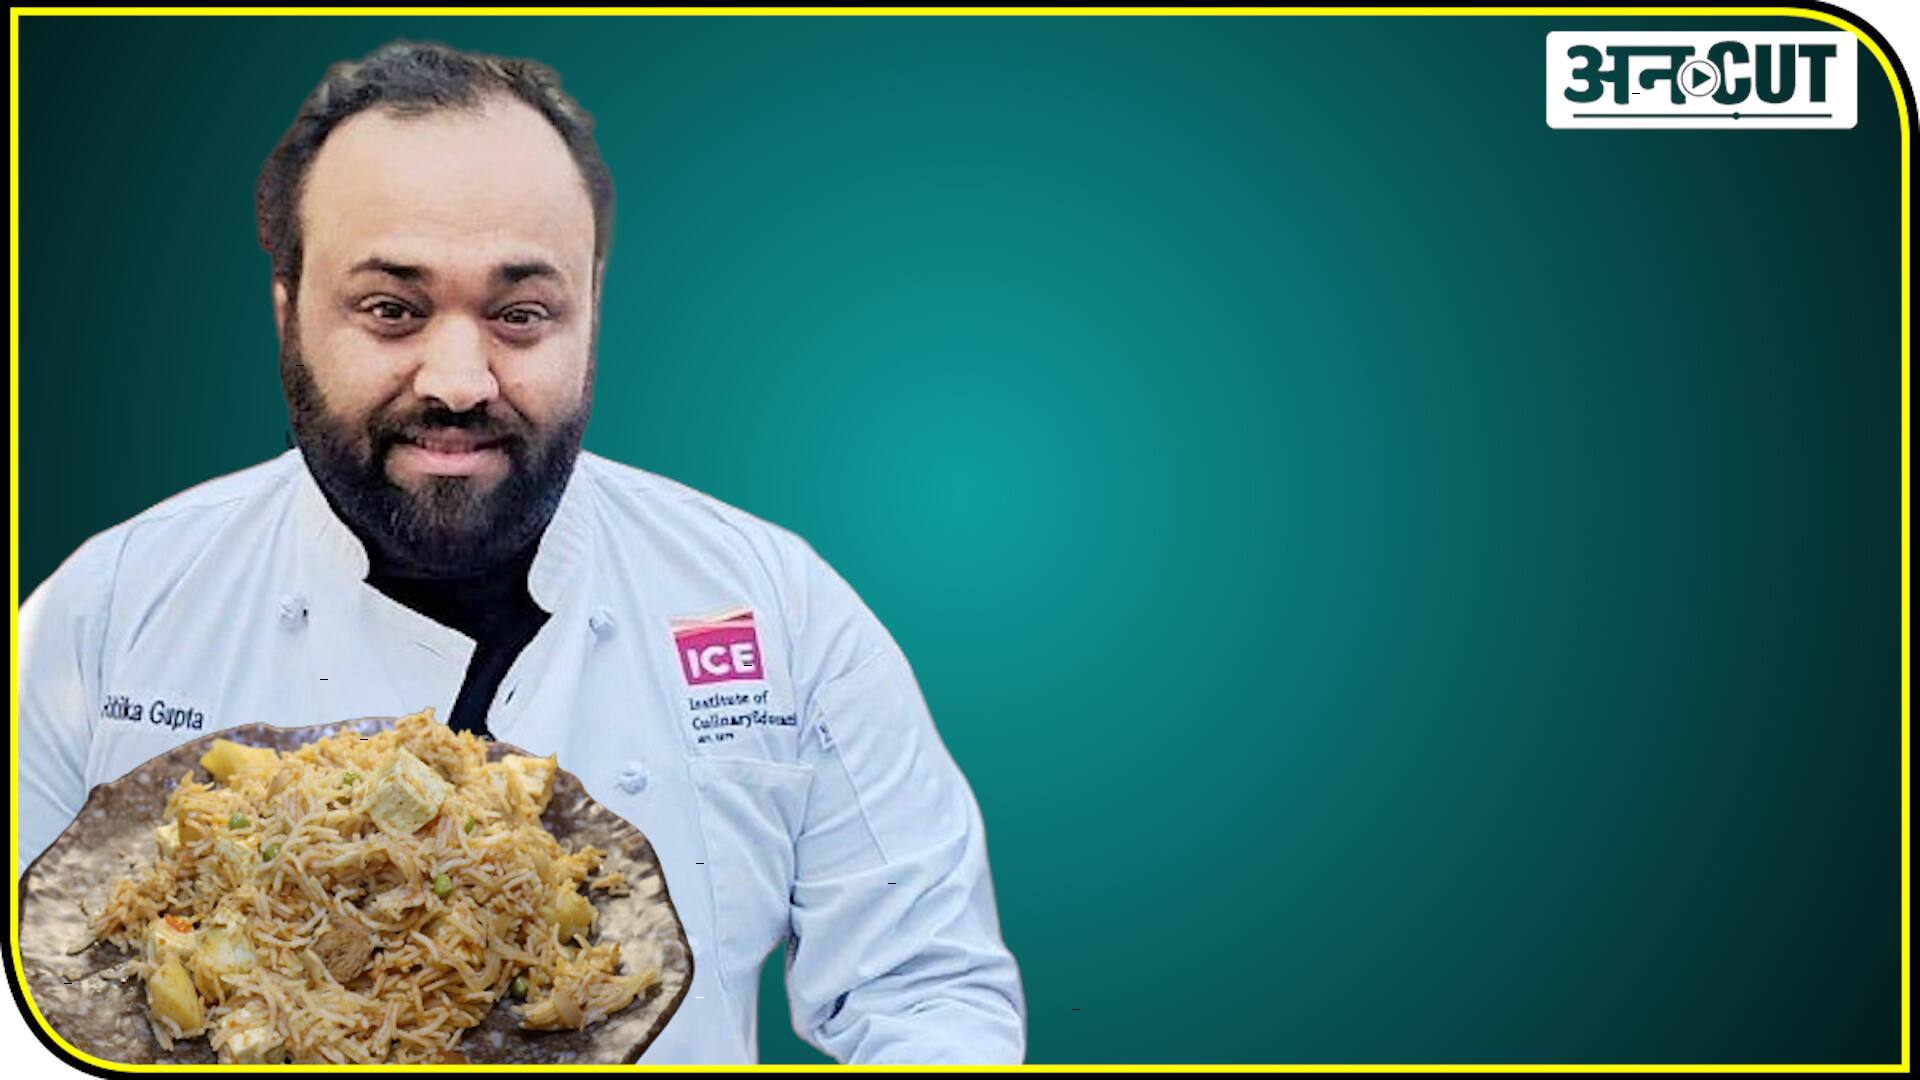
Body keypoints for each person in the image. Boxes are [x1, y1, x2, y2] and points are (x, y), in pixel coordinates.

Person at [14, 39, 1025, 1065]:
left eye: (520, 315)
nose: (459, 379)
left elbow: (927, 993)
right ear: (288, 313)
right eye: (391, 309)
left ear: (591, 314)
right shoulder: (105, 611)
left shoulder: (775, 604)